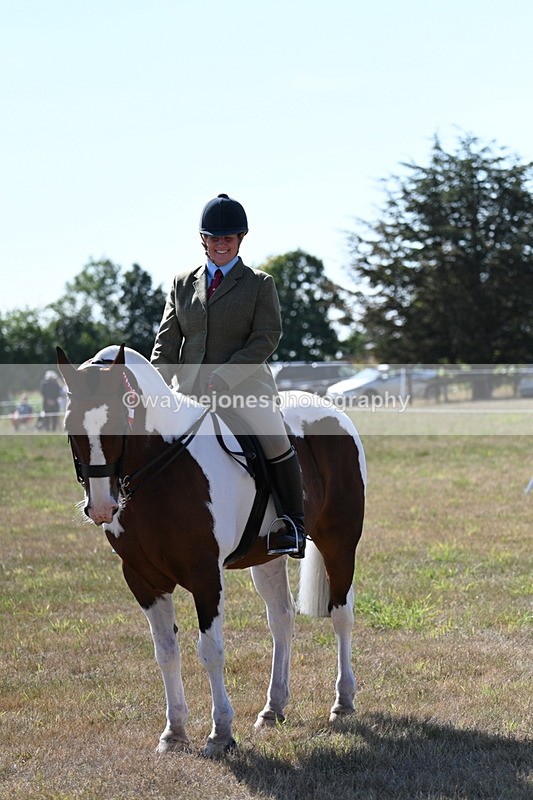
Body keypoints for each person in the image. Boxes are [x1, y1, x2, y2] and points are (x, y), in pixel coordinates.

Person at [151, 193, 306, 558]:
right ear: (203, 239)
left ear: (240, 239)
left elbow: (266, 337)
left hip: (245, 389)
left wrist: (225, 375)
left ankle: (292, 523)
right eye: (214, 238)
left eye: (228, 238)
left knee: (275, 440)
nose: (221, 244)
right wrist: (155, 386)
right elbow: (166, 342)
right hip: (188, 393)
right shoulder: (181, 283)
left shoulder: (259, 283)